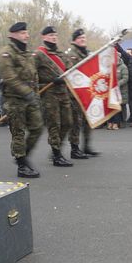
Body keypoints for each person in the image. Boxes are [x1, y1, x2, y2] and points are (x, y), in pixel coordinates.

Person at [0, 22, 43, 178]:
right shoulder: (6, 53)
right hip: (15, 99)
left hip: (30, 98)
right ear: (13, 34)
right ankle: (22, 165)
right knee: (18, 133)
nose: (27, 35)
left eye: (26, 32)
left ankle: (23, 156)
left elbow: (34, 75)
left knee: (37, 127)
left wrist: (35, 94)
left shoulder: (27, 53)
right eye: (23, 33)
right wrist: (27, 92)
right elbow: (9, 77)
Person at [34, 26, 73, 167]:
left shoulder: (61, 54)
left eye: (55, 35)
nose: (54, 37)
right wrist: (42, 85)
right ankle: (56, 154)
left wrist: (67, 76)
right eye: (50, 35)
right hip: (49, 93)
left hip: (63, 91)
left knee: (68, 122)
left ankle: (57, 147)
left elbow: (70, 69)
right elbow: (32, 73)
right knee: (54, 124)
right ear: (44, 37)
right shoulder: (39, 54)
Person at [66, 29, 97, 157]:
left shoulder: (88, 53)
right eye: (79, 38)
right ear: (74, 40)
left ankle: (86, 146)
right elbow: (70, 73)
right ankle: (74, 149)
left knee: (88, 121)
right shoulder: (71, 54)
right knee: (76, 122)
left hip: (88, 92)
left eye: (84, 37)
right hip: (75, 94)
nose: (82, 39)